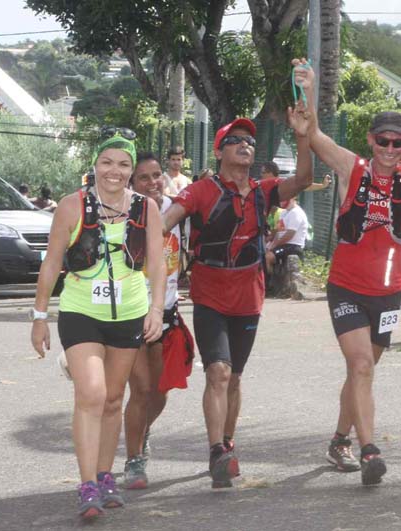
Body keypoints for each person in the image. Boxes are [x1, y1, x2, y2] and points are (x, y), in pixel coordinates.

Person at [293, 58, 401, 485]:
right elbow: (312, 133)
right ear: (371, 140)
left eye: (398, 143)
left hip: (388, 294)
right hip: (347, 288)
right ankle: (370, 451)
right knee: (361, 367)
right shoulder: (352, 168)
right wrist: (308, 89)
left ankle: (339, 440)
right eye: (383, 141)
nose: (390, 150)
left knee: (362, 371)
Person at [161, 103, 313, 489]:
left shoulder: (264, 191)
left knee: (236, 377)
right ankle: (216, 452)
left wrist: (302, 136)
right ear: (219, 150)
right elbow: (165, 222)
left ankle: (228, 442)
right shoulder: (200, 190)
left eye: (249, 141)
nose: (245, 145)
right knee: (218, 372)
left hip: (250, 295)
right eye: (235, 141)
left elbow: (306, 177)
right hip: (210, 293)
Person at [30, 130, 165, 518]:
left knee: (112, 399)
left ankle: (106, 476)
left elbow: (156, 262)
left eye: (123, 164)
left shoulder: (146, 209)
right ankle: (87, 484)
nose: (114, 171)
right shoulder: (73, 206)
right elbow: (52, 263)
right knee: (91, 392)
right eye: (107, 162)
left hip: (129, 314)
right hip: (81, 311)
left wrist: (156, 309)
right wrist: (39, 317)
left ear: (132, 169)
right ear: (94, 164)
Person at [122, 152, 192, 489]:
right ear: (131, 183)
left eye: (156, 175)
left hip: (167, 313)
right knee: (141, 388)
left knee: (161, 392)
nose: (152, 183)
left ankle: (142, 432)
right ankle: (134, 460)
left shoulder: (178, 210)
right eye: (143, 178)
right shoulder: (124, 213)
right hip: (133, 313)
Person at [261, 160, 332, 191]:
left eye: (263, 172)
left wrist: (323, 185)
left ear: (270, 173)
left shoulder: (283, 184)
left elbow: (304, 186)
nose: (261, 175)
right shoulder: (259, 185)